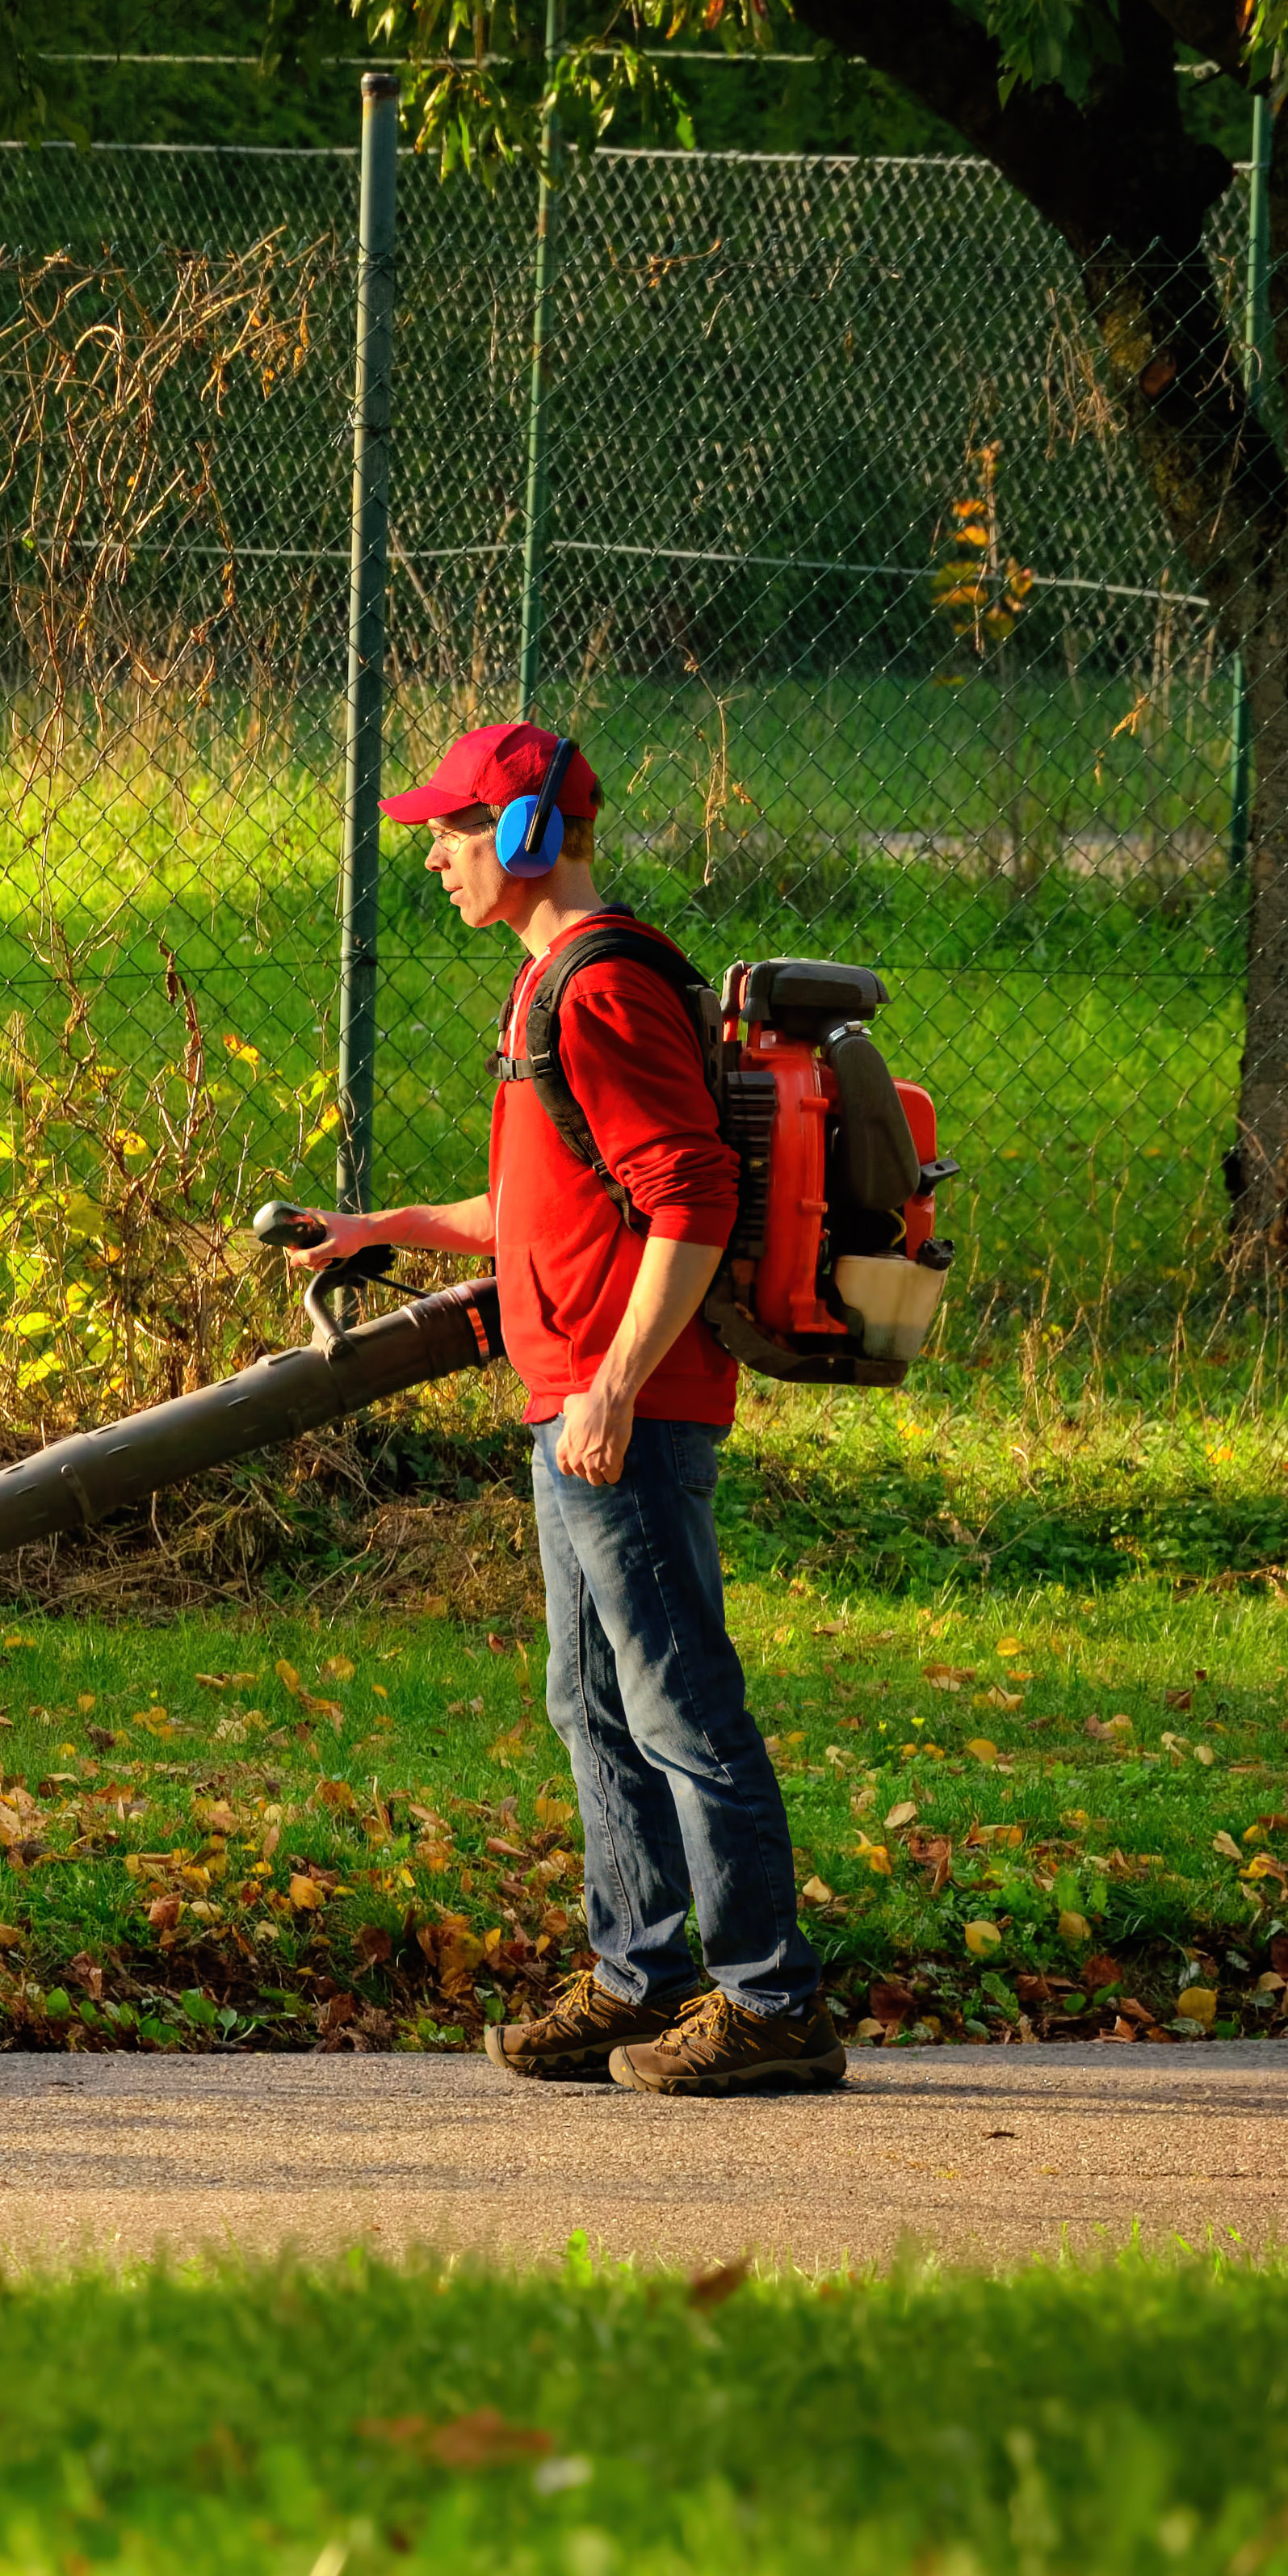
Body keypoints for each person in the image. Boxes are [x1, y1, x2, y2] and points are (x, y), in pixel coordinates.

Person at [284, 724, 839, 2097]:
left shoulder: (596, 993)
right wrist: (385, 1222)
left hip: (621, 1411)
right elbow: (548, 1201)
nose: (433, 854)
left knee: (678, 1702)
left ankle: (772, 1998)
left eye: (455, 831)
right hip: (580, 1399)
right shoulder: (552, 991)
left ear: (526, 834)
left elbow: (691, 1196)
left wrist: (615, 1383)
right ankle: (638, 1975)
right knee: (590, 1700)